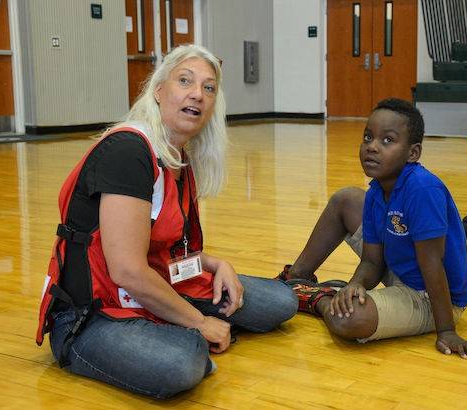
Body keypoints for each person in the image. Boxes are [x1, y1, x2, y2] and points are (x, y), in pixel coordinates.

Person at [35, 45, 297, 399]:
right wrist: (200, 322)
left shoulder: (178, 157)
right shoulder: (128, 152)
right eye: (185, 81)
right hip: (91, 314)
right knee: (181, 363)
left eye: (208, 88)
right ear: (159, 91)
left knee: (280, 302)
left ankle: (173, 325)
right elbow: (127, 270)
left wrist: (217, 263)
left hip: (160, 283)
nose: (197, 94)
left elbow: (167, 252)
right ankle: (178, 332)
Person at [277, 99, 467, 359]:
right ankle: (296, 278)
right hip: (399, 269)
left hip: (433, 296)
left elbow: (432, 265)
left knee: (348, 319)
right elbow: (372, 261)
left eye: (387, 141)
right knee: (347, 198)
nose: (372, 147)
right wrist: (355, 285)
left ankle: (319, 299)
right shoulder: (376, 190)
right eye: (368, 137)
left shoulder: (422, 189)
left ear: (413, 153)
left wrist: (447, 331)